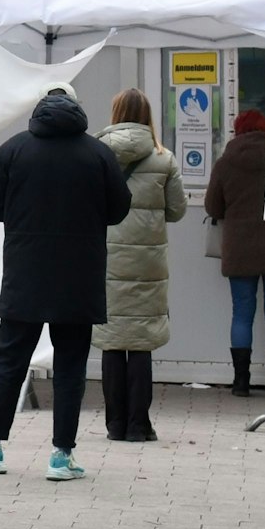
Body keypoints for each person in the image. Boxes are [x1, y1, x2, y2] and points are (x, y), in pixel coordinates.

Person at [0, 83, 130, 481]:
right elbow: (119, 209)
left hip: (26, 272)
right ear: (77, 107)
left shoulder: (14, 149)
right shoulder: (98, 153)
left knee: (10, 361)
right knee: (70, 367)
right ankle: (61, 456)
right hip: (79, 276)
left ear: (38, 109)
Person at [94, 89, 187, 442]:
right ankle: (138, 425)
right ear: (148, 115)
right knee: (141, 342)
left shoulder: (98, 154)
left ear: (115, 112)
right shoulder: (164, 159)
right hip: (148, 262)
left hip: (106, 258)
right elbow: (177, 210)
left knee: (113, 341)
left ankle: (114, 425)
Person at [205, 108, 265, 398]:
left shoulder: (226, 161)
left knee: (242, 314)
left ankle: (241, 382)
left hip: (239, 249)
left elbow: (213, 208)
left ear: (238, 130)